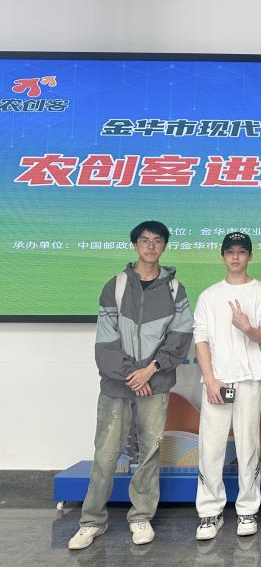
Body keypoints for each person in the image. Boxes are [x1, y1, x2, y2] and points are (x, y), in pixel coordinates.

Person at [68, 220, 194, 550]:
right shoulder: (116, 286)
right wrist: (132, 376)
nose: (150, 246)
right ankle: (91, 521)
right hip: (118, 386)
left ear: (164, 246)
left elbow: (180, 337)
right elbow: (105, 342)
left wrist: (149, 370)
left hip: (155, 382)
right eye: (144, 240)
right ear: (135, 245)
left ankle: (141, 517)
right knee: (106, 455)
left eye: (157, 240)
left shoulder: (175, 289)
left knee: (149, 453)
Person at [192, 232, 261, 540]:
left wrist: (247, 327)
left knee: (248, 445)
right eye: (230, 252)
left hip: (249, 380)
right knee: (211, 447)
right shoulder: (209, 296)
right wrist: (210, 379)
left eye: (242, 251)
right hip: (217, 381)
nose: (236, 257)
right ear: (222, 256)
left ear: (250, 256)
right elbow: (201, 339)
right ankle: (210, 512)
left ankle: (247, 509)